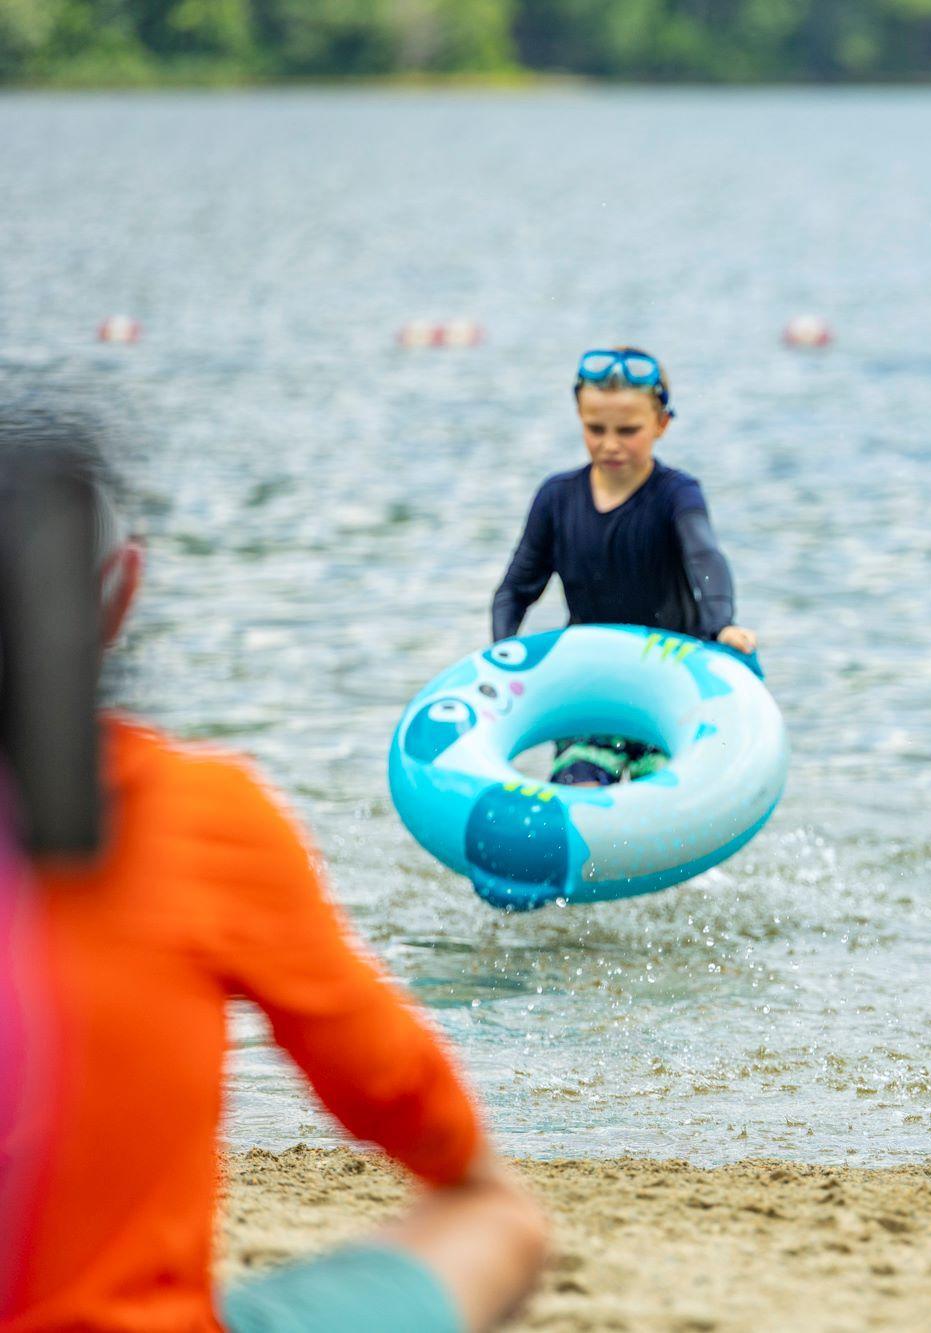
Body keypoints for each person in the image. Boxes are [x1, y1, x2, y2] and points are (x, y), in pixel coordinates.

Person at [0, 424, 548, 1332]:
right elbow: (393, 1085)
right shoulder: (200, 813)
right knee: (497, 1221)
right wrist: (476, 1172)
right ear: (121, 592)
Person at [492, 347, 757, 786]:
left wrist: (721, 625)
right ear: (579, 416)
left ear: (661, 424)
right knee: (581, 788)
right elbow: (515, 589)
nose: (610, 443)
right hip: (592, 689)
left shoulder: (677, 495)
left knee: (668, 804)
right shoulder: (556, 499)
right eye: (595, 428)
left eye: (628, 430)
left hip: (673, 688)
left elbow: (705, 558)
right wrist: (501, 650)